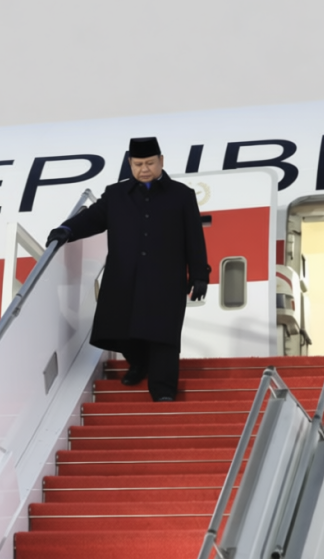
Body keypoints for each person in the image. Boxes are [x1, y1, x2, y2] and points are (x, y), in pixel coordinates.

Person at [47, 137, 209, 401]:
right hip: (123, 278)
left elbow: (194, 237)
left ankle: (163, 391)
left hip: (166, 280)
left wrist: (200, 275)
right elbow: (92, 218)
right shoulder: (116, 195)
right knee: (118, 329)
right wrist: (67, 229)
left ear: (161, 161)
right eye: (138, 164)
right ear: (130, 164)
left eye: (149, 163)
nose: (144, 169)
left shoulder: (181, 195)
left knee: (163, 336)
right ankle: (139, 363)